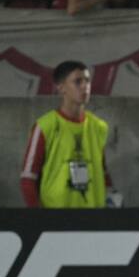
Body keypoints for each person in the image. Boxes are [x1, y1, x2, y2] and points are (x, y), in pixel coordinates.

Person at [20, 60, 119, 209]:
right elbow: (28, 179)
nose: (85, 86)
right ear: (61, 88)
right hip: (57, 218)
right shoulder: (45, 126)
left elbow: (102, 171)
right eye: (78, 82)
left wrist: (113, 199)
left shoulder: (98, 126)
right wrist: (38, 218)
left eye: (87, 81)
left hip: (94, 216)